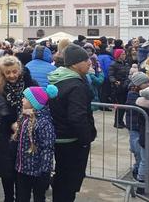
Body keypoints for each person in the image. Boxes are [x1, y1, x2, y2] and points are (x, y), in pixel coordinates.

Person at [48, 43, 97, 202]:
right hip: (72, 140)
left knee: (62, 177)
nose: (89, 62)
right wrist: (86, 138)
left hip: (60, 136)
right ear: (75, 63)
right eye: (85, 59)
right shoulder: (75, 85)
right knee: (69, 182)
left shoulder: (59, 78)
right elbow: (77, 117)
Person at [0, 55, 37, 202]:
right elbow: (2, 108)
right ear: (2, 73)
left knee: (22, 170)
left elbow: (38, 99)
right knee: (7, 169)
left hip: (25, 130)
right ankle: (8, 197)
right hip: (6, 132)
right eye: (7, 73)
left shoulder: (29, 82)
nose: (12, 75)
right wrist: (12, 123)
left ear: (20, 70)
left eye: (14, 72)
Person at [14, 85, 57, 202]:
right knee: (22, 197)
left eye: (25, 98)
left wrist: (45, 171)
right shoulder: (25, 117)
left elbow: (47, 148)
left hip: (37, 171)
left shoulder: (44, 123)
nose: (22, 100)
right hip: (22, 168)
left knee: (38, 197)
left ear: (34, 102)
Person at [125, 72, 149, 180]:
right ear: (138, 84)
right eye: (145, 82)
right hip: (134, 125)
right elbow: (135, 107)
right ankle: (138, 172)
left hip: (141, 126)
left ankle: (141, 171)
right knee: (137, 150)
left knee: (142, 152)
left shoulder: (143, 93)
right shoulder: (132, 94)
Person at [109, 49, 130, 128]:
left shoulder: (126, 64)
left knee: (124, 106)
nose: (124, 55)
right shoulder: (113, 64)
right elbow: (111, 75)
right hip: (118, 87)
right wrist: (115, 81)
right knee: (119, 105)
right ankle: (117, 122)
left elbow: (128, 74)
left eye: (124, 54)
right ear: (118, 55)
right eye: (122, 54)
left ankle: (120, 121)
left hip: (125, 86)